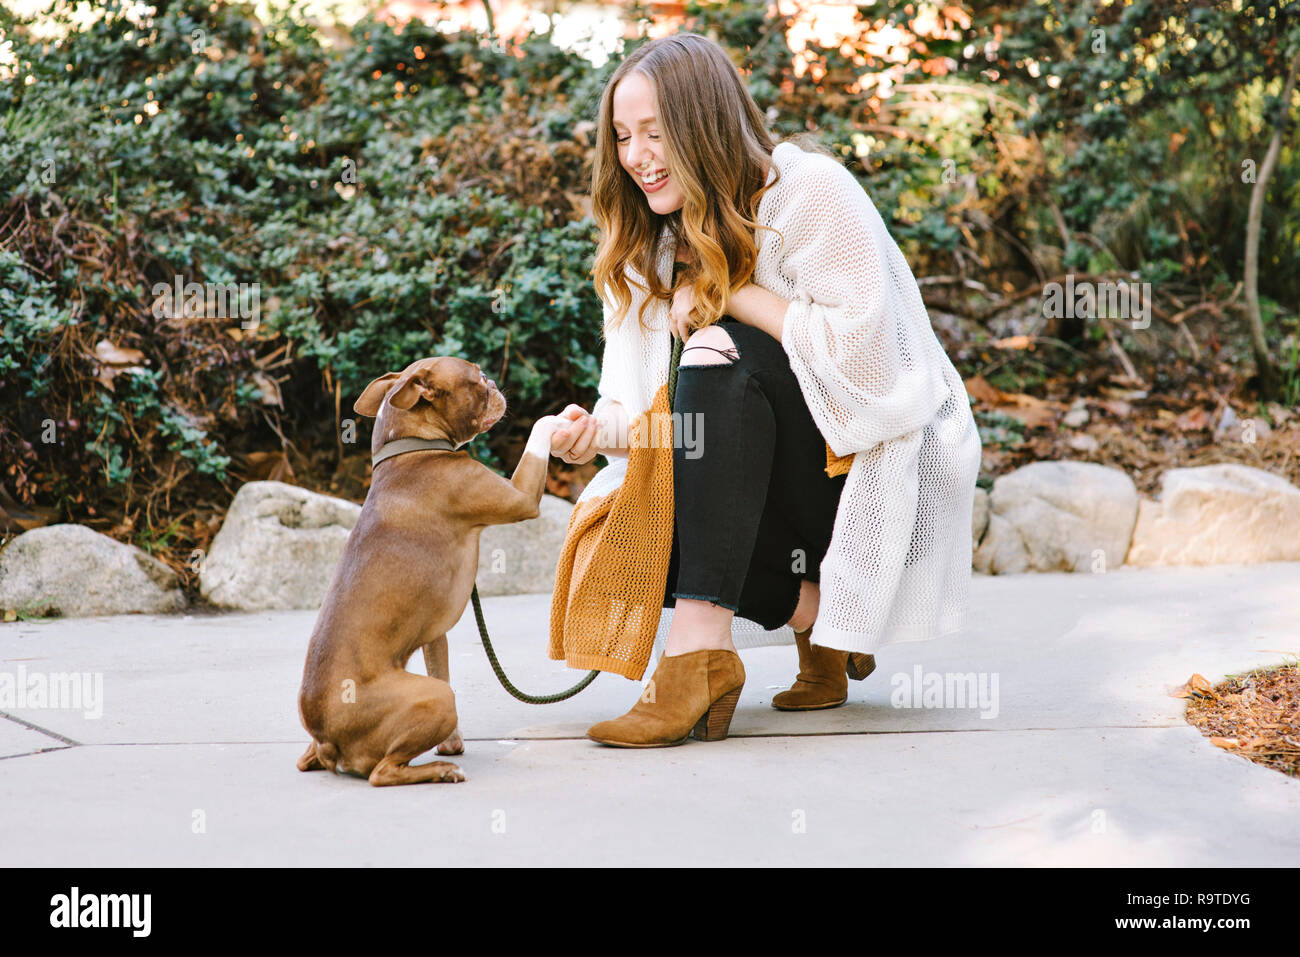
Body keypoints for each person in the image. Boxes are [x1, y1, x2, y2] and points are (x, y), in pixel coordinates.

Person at [548, 33, 981, 748]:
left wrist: (730, 296)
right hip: (755, 493)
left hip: (862, 475)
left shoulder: (808, 192)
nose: (637, 155)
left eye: (655, 132)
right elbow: (654, 419)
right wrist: (598, 430)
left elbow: (871, 372)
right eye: (623, 137)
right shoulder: (646, 244)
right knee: (635, 512)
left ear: (704, 123)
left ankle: (694, 659)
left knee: (720, 352)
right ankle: (820, 619)